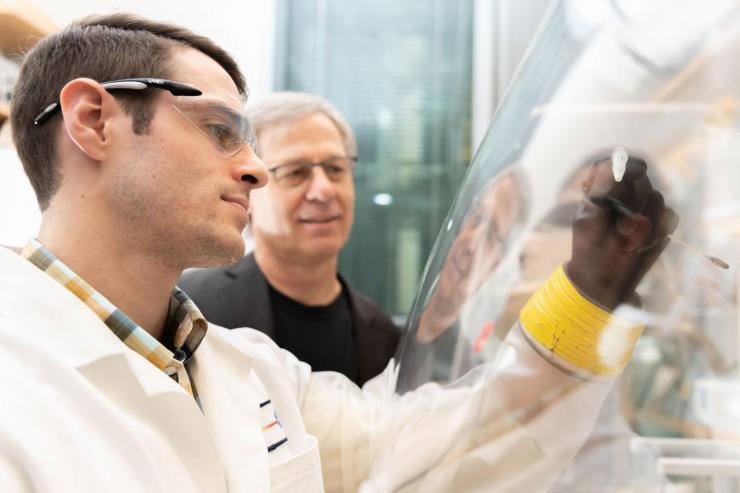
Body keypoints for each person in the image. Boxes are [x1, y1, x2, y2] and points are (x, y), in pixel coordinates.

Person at [0, 13, 677, 493]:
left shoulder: (252, 375)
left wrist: (588, 299)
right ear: (93, 121)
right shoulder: (17, 385)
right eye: (220, 131)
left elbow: (446, 445)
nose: (256, 172)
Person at [179, 92, 399, 386]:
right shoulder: (191, 308)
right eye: (296, 172)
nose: (323, 191)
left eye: (335, 169)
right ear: (248, 186)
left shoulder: (383, 333)